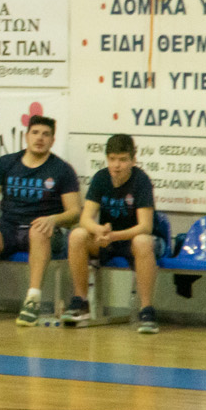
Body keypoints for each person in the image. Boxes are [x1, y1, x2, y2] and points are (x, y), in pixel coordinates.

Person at [0, 115, 82, 328]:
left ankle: (32, 301)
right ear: (26, 136)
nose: (39, 138)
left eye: (46, 134)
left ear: (52, 140)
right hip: (9, 227)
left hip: (47, 231)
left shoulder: (62, 169)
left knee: (37, 230)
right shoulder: (7, 163)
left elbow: (75, 212)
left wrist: (53, 219)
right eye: (35, 133)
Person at [66, 134, 160, 332]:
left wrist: (114, 236)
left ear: (133, 160)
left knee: (143, 241)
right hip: (107, 239)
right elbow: (85, 219)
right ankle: (81, 301)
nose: (117, 165)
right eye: (112, 159)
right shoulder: (101, 178)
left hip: (131, 239)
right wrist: (98, 230)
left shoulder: (141, 180)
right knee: (77, 235)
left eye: (123, 160)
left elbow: (145, 226)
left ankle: (146, 309)